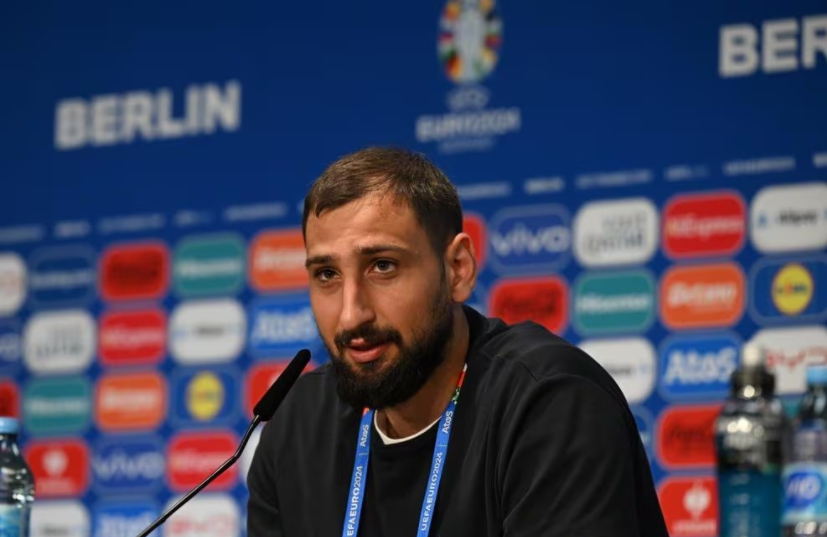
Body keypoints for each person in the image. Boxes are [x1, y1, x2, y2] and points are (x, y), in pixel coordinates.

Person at [247, 147, 668, 536]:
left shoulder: (549, 402)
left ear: (457, 269)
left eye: (383, 266)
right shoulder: (295, 427)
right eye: (327, 275)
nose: (351, 314)